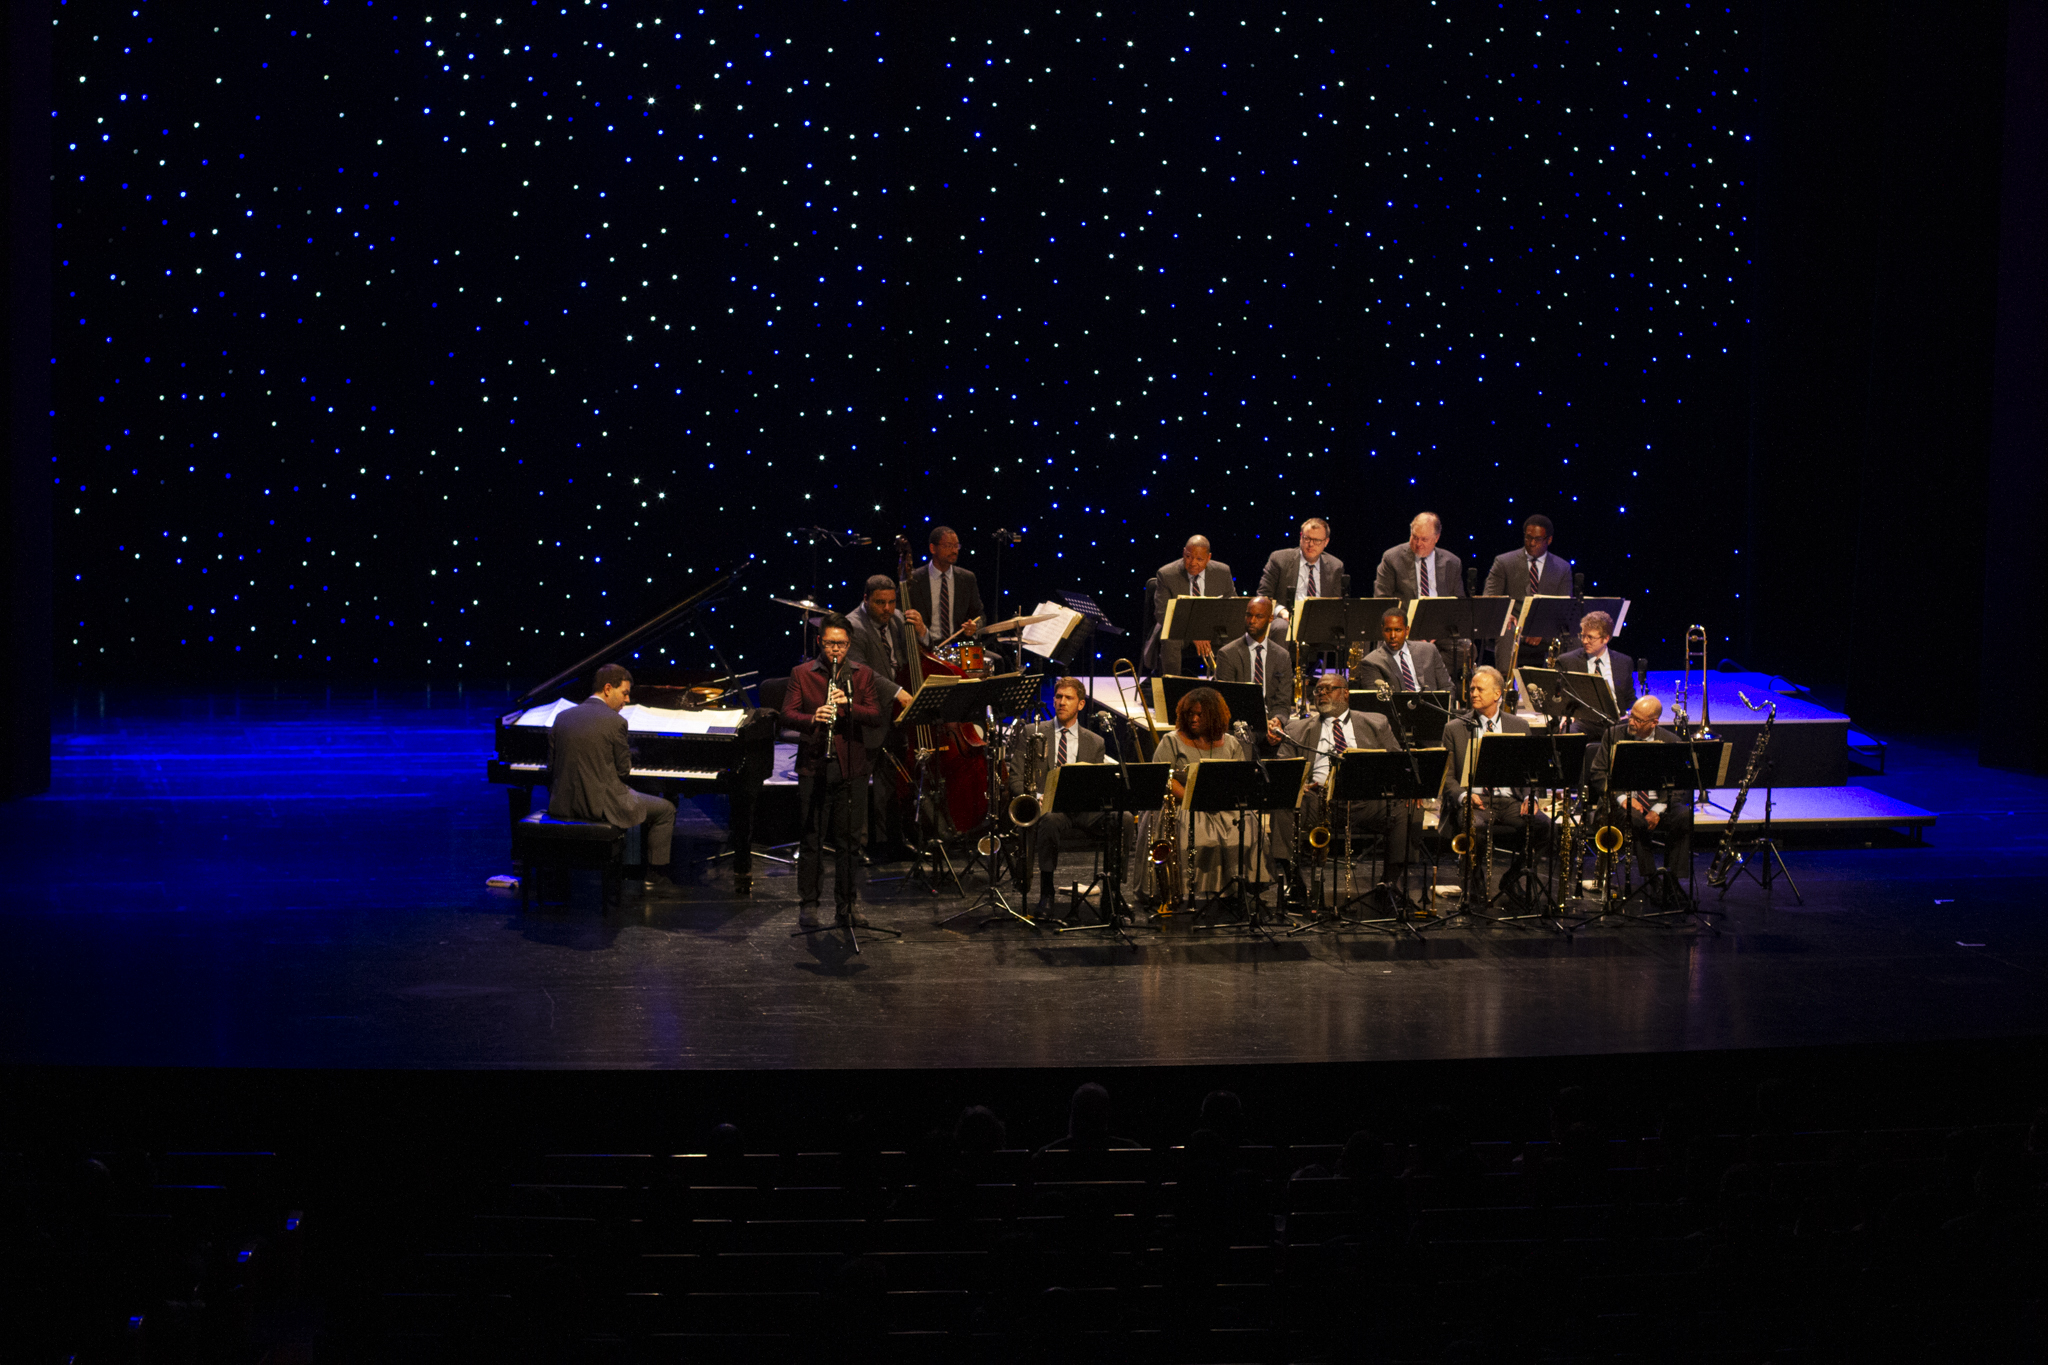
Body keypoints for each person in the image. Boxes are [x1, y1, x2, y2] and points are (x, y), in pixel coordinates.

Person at [1272, 671, 1421, 890]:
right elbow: (1282, 770)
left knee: (1409, 808)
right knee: (1283, 805)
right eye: (1318, 690)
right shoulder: (1297, 729)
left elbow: (1397, 763)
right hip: (1319, 800)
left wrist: (1408, 789)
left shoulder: (1376, 722)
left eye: (1328, 689)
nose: (1321, 693)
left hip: (1367, 799)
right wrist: (1298, 784)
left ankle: (1389, 883)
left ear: (1345, 694)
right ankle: (1294, 882)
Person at [780, 617, 883, 929]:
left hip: (851, 766)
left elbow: (876, 715)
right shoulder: (802, 673)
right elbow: (786, 714)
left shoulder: (862, 675)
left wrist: (847, 706)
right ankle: (809, 903)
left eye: (840, 644)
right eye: (829, 644)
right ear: (819, 643)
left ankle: (847, 904)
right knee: (812, 837)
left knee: (849, 841)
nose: (835, 650)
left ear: (849, 644)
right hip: (815, 764)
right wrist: (814, 717)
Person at [545, 663, 678, 886]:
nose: (627, 700)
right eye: (625, 693)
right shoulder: (616, 722)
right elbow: (623, 771)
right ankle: (655, 876)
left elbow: (552, 768)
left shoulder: (562, 718)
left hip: (563, 805)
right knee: (666, 810)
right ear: (608, 689)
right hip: (600, 807)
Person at [1006, 676, 1117, 921]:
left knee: (1124, 818)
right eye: (1058, 697)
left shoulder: (1095, 741)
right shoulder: (1031, 732)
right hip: (1048, 807)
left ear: (1081, 704)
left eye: (1068, 698)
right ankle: (1047, 892)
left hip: (1082, 806)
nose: (1061, 702)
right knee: (1050, 819)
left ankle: (1113, 893)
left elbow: (1097, 781)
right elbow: (1015, 777)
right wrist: (1036, 796)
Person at [1147, 686, 1257, 905]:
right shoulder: (1171, 741)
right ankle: (1192, 892)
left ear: (1214, 716)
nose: (1194, 719)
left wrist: (1219, 798)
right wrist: (1194, 797)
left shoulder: (1232, 743)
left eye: (1200, 714)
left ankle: (1235, 889)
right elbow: (1163, 779)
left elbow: (1239, 780)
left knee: (1248, 829)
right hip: (1183, 803)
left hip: (1223, 803)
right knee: (1199, 834)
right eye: (1190, 714)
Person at [1442, 665, 1552, 872]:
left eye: (1479, 689)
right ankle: (1474, 889)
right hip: (1476, 802)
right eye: (1472, 689)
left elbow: (1531, 769)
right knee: (1475, 827)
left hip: (1511, 800)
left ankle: (1512, 880)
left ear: (1497, 694)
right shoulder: (1454, 728)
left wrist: (1531, 798)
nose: (1473, 693)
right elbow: (1446, 777)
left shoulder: (1519, 726)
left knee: (1544, 827)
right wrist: (1463, 796)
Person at [844, 574, 925, 853]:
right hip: (867, 712)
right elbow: (862, 672)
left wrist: (923, 632)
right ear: (865, 599)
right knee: (860, 784)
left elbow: (924, 651)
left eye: (892, 602)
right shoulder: (853, 626)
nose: (888, 609)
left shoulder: (900, 619)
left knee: (889, 782)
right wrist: (897, 691)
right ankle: (859, 846)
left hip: (895, 714)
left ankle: (889, 841)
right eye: (880, 603)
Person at [1588, 695, 1695, 902]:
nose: (1631, 722)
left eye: (1639, 720)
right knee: (1634, 819)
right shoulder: (1613, 735)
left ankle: (1673, 879)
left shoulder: (1671, 741)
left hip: (1659, 805)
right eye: (1631, 716)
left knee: (1684, 815)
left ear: (1654, 722)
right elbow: (1597, 773)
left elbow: (1680, 785)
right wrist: (1623, 799)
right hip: (1621, 804)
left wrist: (1658, 809)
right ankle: (1651, 878)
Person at [1484, 514, 1574, 656]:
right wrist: (1506, 614)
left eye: (1537, 539)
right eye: (1528, 537)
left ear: (1549, 540)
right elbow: (1490, 597)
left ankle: (1564, 677)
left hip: (1546, 629)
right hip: (1513, 627)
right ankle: (1505, 676)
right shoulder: (1504, 562)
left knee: (1574, 636)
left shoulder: (1562, 568)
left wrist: (1542, 627)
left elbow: (1563, 607)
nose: (1532, 543)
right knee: (1506, 629)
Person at [1148, 535, 1237, 676]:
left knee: (1236, 636)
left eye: (1199, 559)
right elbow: (1162, 614)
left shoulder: (1223, 572)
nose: (1192, 563)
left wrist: (1206, 630)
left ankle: (1226, 687)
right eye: (1188, 556)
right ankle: (1172, 688)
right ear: (1184, 552)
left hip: (1211, 629)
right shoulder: (1166, 574)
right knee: (1170, 639)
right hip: (1178, 629)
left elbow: (1231, 608)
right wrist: (1194, 633)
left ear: (1209, 558)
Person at [1212, 595, 1293, 741]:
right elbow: (1227, 701)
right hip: (1241, 726)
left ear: (1270, 619)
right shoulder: (1227, 654)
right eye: (1249, 615)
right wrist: (1260, 723)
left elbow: (1283, 702)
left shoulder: (1282, 656)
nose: (1252, 621)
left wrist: (1277, 721)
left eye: (1259, 616)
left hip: (1271, 724)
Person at [904, 525, 984, 644]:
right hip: (925, 646)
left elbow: (979, 615)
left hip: (958, 646)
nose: (954, 551)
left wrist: (974, 626)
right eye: (948, 546)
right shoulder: (914, 579)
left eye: (956, 546)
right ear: (932, 548)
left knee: (998, 660)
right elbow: (899, 615)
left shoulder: (967, 578)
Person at [1556, 610, 1637, 727]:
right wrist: (1564, 714)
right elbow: (1558, 697)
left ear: (1605, 639)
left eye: (1590, 637)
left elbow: (1629, 698)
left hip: (1615, 721)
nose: (1584, 641)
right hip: (1582, 720)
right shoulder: (1567, 661)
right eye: (1582, 636)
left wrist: (1631, 713)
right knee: (1570, 731)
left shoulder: (1624, 662)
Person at [1256, 517, 1346, 622]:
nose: (1310, 544)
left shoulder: (1335, 566)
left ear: (1326, 542)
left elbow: (1336, 604)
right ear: (1300, 537)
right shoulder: (1279, 559)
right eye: (1307, 538)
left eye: (1317, 540)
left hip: (1320, 621)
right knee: (1281, 627)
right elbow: (1263, 596)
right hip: (1286, 620)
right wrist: (1282, 612)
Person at [1354, 609, 1454, 693]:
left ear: (1407, 630)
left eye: (1398, 630)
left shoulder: (1429, 650)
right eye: (1388, 630)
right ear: (1382, 630)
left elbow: (1448, 687)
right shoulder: (1371, 662)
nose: (1392, 636)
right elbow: (1379, 702)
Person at [1373, 511, 1465, 601]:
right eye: (1415, 537)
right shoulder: (1392, 559)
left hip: (1441, 615)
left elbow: (1460, 604)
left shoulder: (1452, 563)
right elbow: (1382, 600)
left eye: (1424, 539)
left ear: (1436, 538)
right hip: (1405, 615)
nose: (1418, 544)